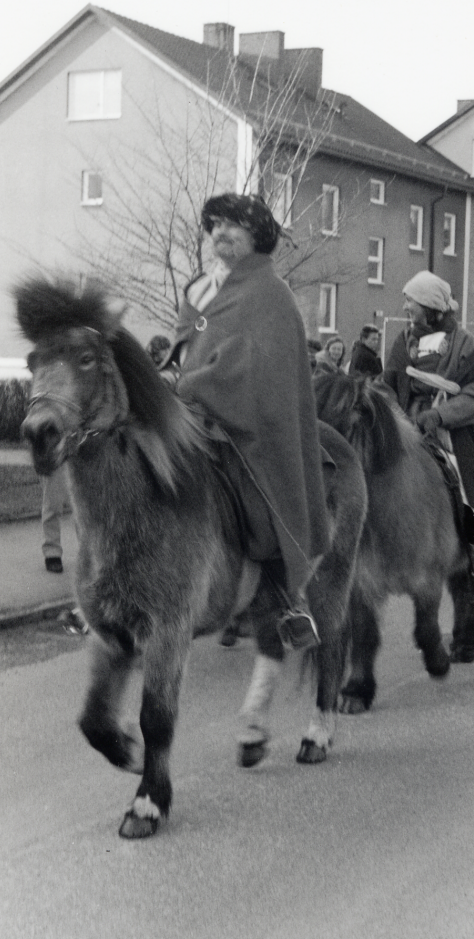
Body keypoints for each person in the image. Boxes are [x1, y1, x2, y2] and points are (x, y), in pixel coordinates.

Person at [162, 193, 330, 650]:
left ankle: (282, 592)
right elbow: (183, 346)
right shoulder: (199, 287)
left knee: (255, 494)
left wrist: (195, 386)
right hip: (187, 408)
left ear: (256, 234)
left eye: (232, 225)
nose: (220, 232)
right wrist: (167, 375)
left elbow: (255, 365)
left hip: (245, 419)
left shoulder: (271, 292)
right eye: (214, 224)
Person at [383, 270, 474, 600]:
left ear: (431, 308)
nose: (405, 308)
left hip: (452, 430)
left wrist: (438, 415)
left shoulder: (466, 346)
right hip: (405, 424)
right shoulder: (403, 342)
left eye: (410, 302)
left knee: (469, 494)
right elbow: (387, 384)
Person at [41, 467, 69, 572]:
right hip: (54, 454)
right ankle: (52, 552)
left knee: (83, 506)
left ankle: (88, 552)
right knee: (53, 501)